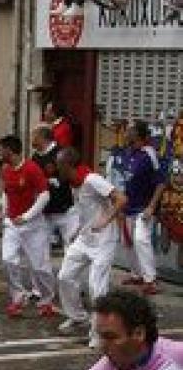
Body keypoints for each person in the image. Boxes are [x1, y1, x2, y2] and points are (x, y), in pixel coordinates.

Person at [57, 147, 127, 344]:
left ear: (68, 165)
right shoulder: (74, 183)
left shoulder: (92, 179)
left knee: (97, 287)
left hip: (104, 240)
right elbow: (85, 209)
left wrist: (106, 221)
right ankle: (78, 317)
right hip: (85, 238)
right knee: (65, 276)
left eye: (59, 165)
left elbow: (122, 199)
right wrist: (75, 231)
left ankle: (99, 333)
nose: (56, 169)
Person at [0, 134, 55, 318]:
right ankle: (17, 297)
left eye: (2, 149)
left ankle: (46, 300)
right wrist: (2, 208)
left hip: (34, 226)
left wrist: (27, 216)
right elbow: (7, 192)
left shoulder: (32, 169)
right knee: (8, 260)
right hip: (12, 224)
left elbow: (45, 195)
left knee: (40, 268)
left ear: (10, 150)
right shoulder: (6, 169)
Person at [121, 121, 167, 295]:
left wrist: (151, 207)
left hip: (144, 207)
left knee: (141, 240)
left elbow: (161, 183)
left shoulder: (149, 154)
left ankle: (151, 280)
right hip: (128, 206)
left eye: (129, 129)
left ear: (138, 134)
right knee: (127, 242)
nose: (126, 132)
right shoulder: (128, 152)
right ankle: (136, 274)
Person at [31, 122, 80, 247]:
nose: (32, 139)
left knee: (72, 248)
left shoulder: (61, 153)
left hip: (66, 210)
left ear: (42, 137)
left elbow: (74, 176)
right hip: (45, 212)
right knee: (40, 247)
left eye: (34, 136)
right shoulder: (35, 158)